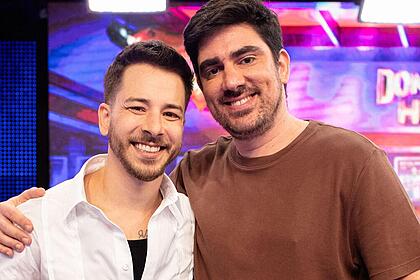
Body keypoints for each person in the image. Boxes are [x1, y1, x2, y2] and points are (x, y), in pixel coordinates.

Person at [1, 0, 420, 279]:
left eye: (246, 58)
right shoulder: (191, 176)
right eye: (213, 68)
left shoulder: (353, 160)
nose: (232, 80)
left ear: (283, 66)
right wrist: (14, 217)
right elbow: (125, 181)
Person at [0, 40, 195, 279]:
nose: (154, 127)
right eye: (137, 108)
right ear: (105, 118)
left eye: (170, 114)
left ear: (183, 125)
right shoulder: (31, 222)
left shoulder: (188, 216)